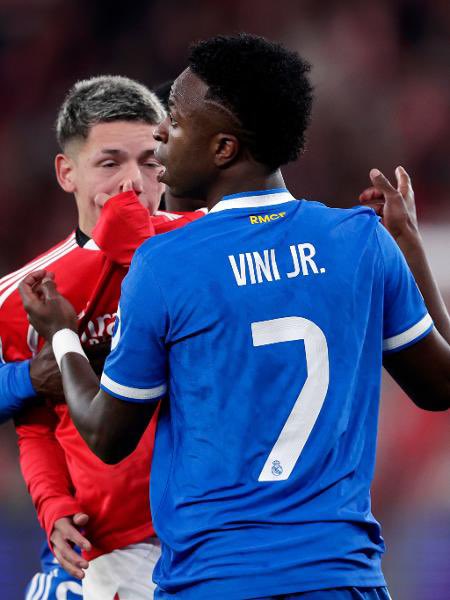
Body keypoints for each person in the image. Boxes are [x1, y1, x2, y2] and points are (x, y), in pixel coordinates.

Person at [20, 34, 450, 599]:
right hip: (341, 577)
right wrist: (409, 245)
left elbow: (106, 435)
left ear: (223, 148)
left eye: (176, 121)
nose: (160, 134)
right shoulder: (361, 240)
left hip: (217, 579)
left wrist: (62, 336)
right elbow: (441, 385)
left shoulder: (167, 263)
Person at [0, 75, 203, 599]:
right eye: (110, 163)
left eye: (150, 162)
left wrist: (132, 246)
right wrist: (53, 507)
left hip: (212, 539)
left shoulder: (207, 246)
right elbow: (38, 427)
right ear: (67, 173)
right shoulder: (24, 296)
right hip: (105, 551)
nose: (133, 182)